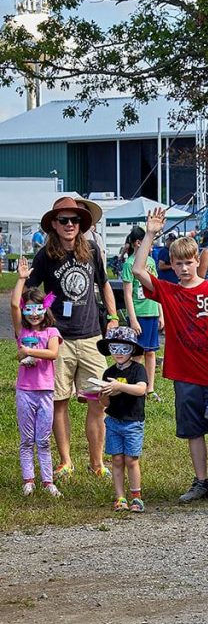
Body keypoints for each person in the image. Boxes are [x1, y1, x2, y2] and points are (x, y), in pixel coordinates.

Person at [132, 207, 208, 503]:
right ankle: (201, 481)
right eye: (178, 263)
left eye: (189, 262)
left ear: (198, 260)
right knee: (194, 430)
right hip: (183, 374)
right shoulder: (168, 292)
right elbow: (138, 271)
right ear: (172, 264)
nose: (184, 268)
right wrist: (151, 233)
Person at [28, 196, 118, 479]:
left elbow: (103, 284)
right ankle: (66, 461)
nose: (69, 225)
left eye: (74, 220)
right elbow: (34, 291)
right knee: (59, 401)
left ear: (82, 224)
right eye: (63, 220)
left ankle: (97, 462)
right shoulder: (45, 256)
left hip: (91, 336)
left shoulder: (91, 249)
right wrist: (44, 313)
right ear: (54, 224)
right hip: (59, 339)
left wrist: (114, 317)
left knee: (97, 400)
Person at [11, 261, 62, 497]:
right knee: (26, 439)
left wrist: (28, 351)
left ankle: (48, 481)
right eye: (28, 309)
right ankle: (28, 480)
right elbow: (13, 304)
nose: (33, 314)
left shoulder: (51, 332)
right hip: (25, 391)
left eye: (37, 308)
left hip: (45, 392)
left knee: (43, 439)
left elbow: (52, 354)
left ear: (45, 308)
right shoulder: (22, 332)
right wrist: (22, 279)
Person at [96, 327, 149, 513]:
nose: (118, 353)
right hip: (113, 421)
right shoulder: (108, 372)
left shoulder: (138, 370)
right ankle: (120, 497)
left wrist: (119, 386)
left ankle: (136, 497)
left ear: (132, 350)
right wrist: (101, 395)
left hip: (133, 422)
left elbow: (141, 389)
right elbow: (104, 402)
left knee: (131, 460)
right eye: (114, 348)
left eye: (124, 348)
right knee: (117, 459)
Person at [121, 227, 162, 400]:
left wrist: (161, 314)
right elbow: (128, 294)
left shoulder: (151, 262)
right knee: (137, 353)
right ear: (139, 243)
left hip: (152, 311)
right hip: (139, 314)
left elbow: (158, 289)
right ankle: (136, 386)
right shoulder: (129, 264)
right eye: (150, 243)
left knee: (151, 352)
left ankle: (150, 388)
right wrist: (133, 319)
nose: (151, 248)